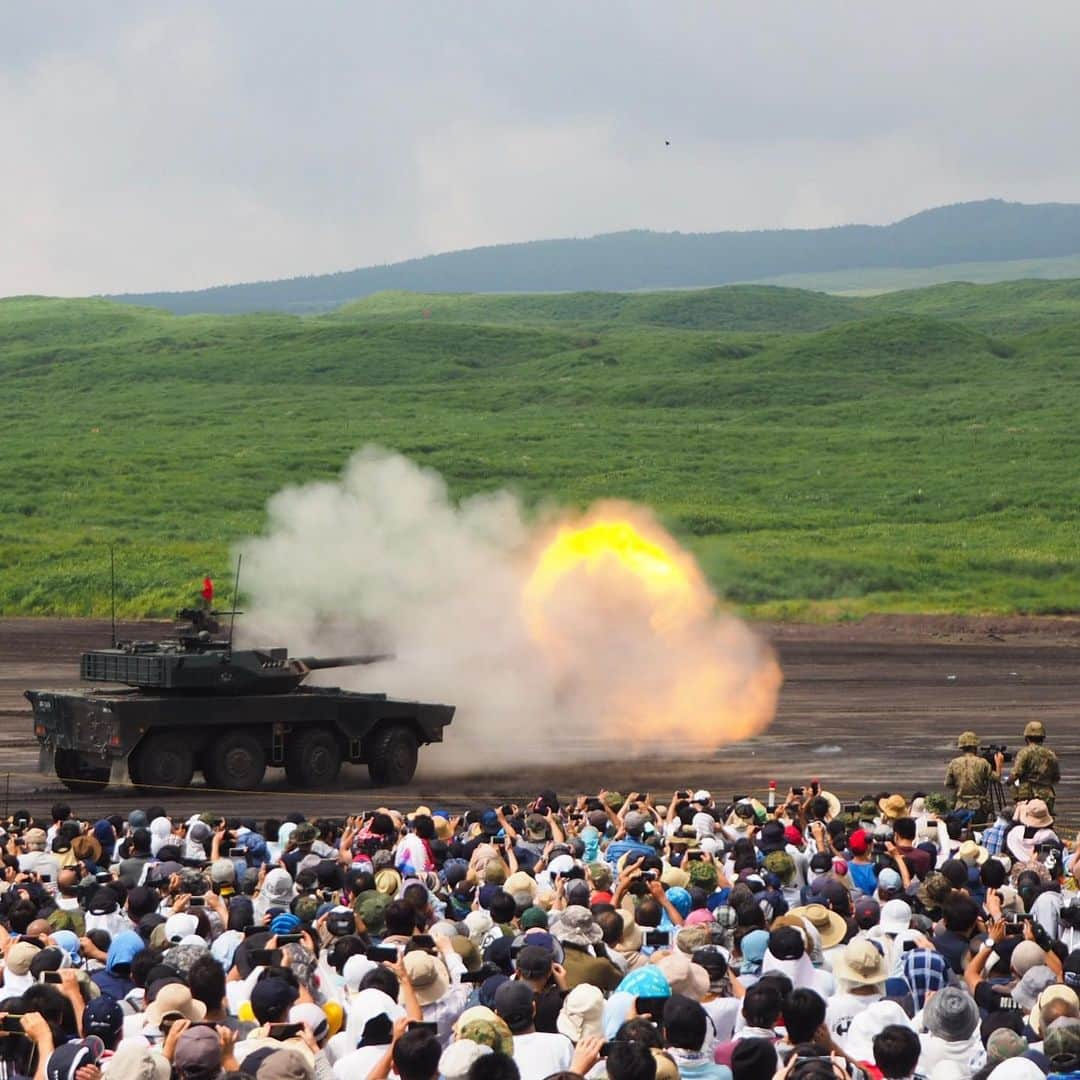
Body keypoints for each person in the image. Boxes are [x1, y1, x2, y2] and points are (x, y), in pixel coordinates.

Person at [945, 733, 1002, 822]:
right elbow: (997, 778)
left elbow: (948, 784)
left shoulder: (954, 763)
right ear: (975, 746)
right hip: (978, 806)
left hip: (961, 806)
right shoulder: (983, 763)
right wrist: (999, 764)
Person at [1012, 721, 1061, 813]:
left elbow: (1016, 773)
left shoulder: (1024, 753)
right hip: (1046, 795)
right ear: (1043, 738)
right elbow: (1056, 777)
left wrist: (1009, 783)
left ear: (1026, 738)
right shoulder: (1051, 754)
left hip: (1027, 794)